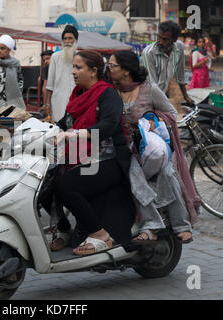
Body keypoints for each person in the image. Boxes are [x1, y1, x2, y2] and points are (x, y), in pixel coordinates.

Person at [107, 50, 199, 243]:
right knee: (134, 176)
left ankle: (182, 225)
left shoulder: (149, 89)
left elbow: (172, 114)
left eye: (113, 65)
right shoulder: (110, 91)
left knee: (168, 174)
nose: (109, 68)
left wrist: (156, 121)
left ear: (126, 70)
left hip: (151, 147)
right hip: (125, 149)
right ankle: (151, 225)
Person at [51, 50, 136, 255]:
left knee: (65, 185)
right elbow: (64, 123)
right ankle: (64, 229)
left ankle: (100, 234)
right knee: (45, 184)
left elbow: (107, 126)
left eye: (78, 67)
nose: (73, 72)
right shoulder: (77, 95)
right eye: (73, 67)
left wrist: (75, 134)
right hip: (83, 156)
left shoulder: (107, 94)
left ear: (94, 71)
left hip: (109, 159)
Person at [141, 21, 195, 115]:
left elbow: (180, 75)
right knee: (173, 115)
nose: (160, 41)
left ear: (174, 40)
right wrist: (164, 104)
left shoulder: (179, 47)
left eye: (165, 39)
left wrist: (186, 97)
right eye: (159, 37)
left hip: (161, 94)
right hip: (148, 98)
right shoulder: (148, 53)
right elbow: (152, 85)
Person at [45, 25, 78, 122]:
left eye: (70, 38)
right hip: (58, 101)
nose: (67, 41)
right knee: (60, 131)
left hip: (77, 100)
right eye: (65, 38)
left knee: (74, 131)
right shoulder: (55, 57)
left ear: (75, 40)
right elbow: (50, 85)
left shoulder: (80, 57)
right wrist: (47, 104)